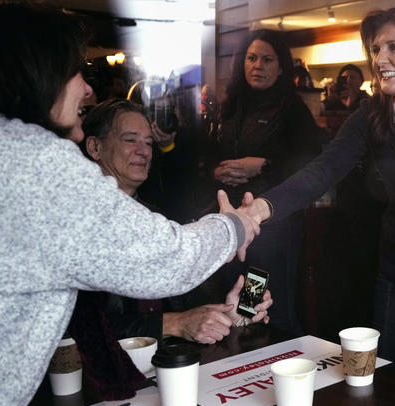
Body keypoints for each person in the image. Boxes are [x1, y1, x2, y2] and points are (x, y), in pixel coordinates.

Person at [0, 2, 259, 406]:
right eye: (73, 70)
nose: (87, 86)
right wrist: (239, 222)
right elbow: (169, 262)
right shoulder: (33, 166)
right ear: (30, 73)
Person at [240, 5, 395, 373]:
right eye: (376, 50)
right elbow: (323, 169)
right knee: (386, 376)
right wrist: (259, 209)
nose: (380, 59)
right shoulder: (372, 115)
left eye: (393, 47)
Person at [77, 98, 271, 344]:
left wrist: (233, 313)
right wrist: (175, 323)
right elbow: (77, 330)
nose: (144, 150)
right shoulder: (76, 222)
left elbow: (190, 306)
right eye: (130, 139)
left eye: (148, 142)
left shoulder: (158, 218)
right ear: (95, 147)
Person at [208, 29, 326, 335]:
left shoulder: (292, 110)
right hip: (232, 226)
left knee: (263, 307)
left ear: (281, 66)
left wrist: (262, 166)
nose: (257, 65)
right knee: (235, 307)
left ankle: (290, 372)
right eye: (251, 58)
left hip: (270, 229)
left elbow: (311, 167)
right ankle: (246, 370)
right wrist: (215, 172)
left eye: (267, 59)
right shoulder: (231, 107)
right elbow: (209, 157)